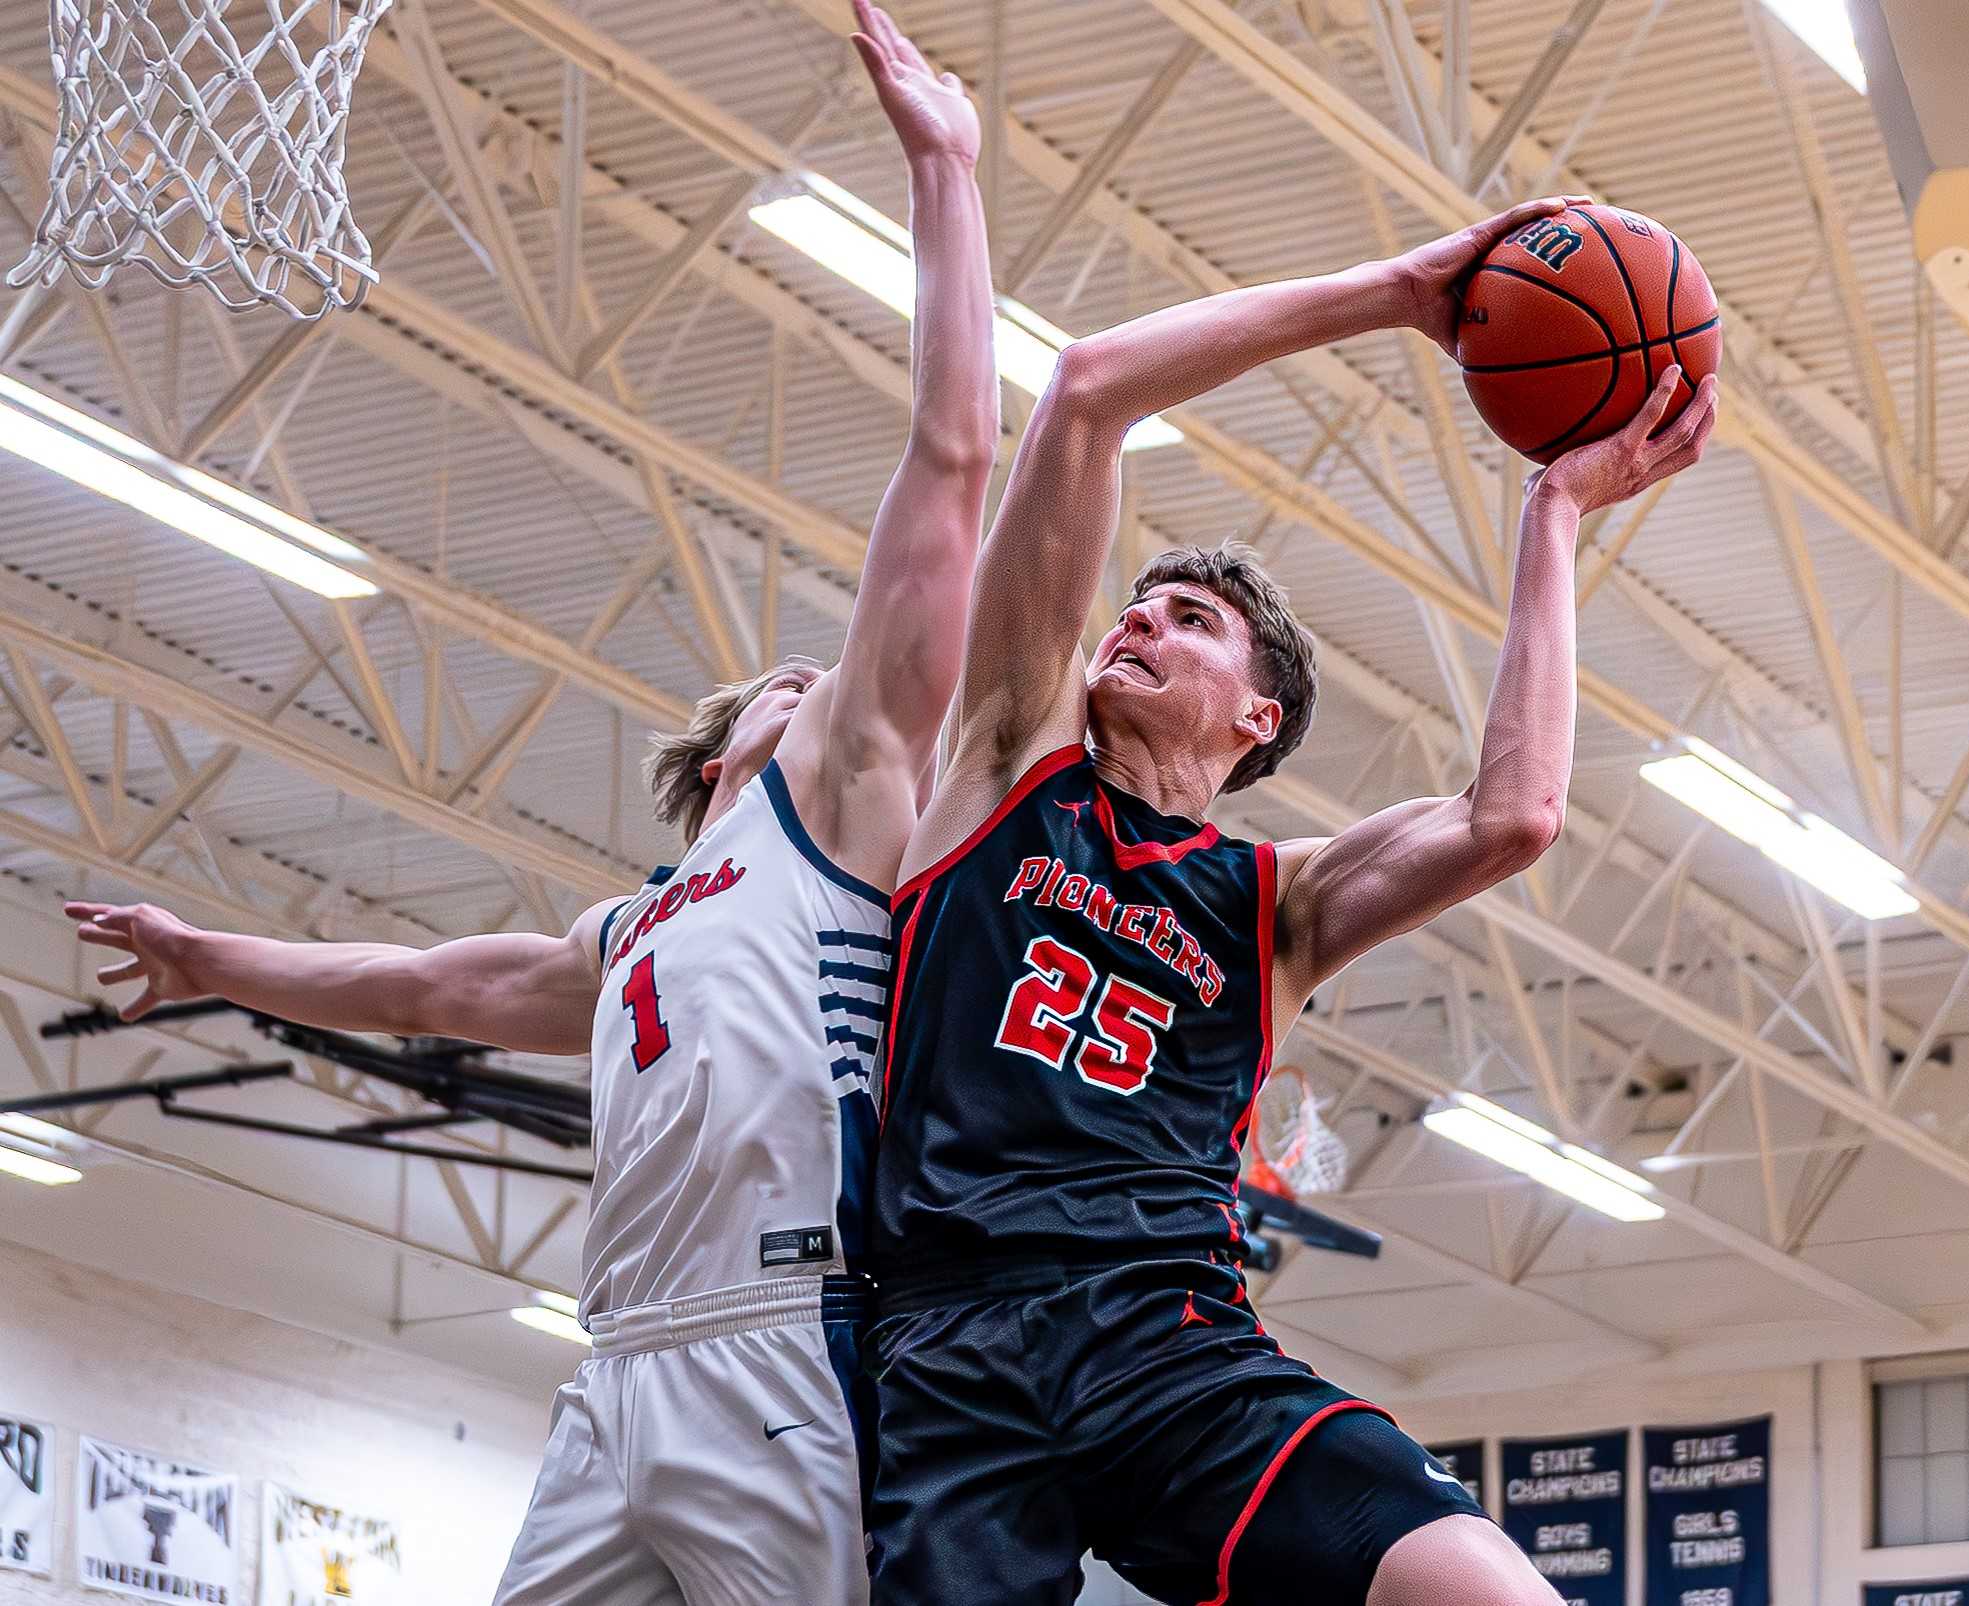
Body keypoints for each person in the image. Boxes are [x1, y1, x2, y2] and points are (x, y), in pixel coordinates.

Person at [65, 6, 995, 1600]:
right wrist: (221, 960)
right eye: (788, 684)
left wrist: (946, 174)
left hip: (777, 1339)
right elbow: (431, 984)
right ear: (720, 751)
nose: (826, 688)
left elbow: (951, 457)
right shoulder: (632, 927)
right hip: (615, 1361)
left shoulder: (841, 819)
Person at [865, 200, 1718, 1606]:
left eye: (1189, 620)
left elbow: (1513, 814)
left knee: (1488, 1590)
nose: (1138, 622)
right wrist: (1391, 288)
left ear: (1257, 717)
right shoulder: (1006, 765)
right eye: (1135, 609)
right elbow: (1082, 390)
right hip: (949, 1340)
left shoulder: (1274, 900)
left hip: (1165, 1337)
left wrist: (1551, 515)